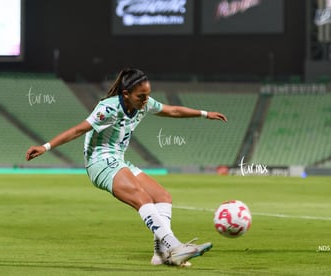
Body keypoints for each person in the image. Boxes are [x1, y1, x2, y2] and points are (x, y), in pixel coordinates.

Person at [25, 68, 228, 266]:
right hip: (100, 162)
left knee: (162, 197)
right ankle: (175, 246)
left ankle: (161, 254)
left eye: (148, 95)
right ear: (126, 94)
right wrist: (45, 147)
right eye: (141, 96)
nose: (146, 100)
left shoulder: (142, 103)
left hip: (118, 161)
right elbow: (79, 129)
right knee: (143, 199)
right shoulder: (109, 108)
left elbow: (172, 110)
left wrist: (204, 113)